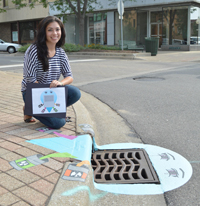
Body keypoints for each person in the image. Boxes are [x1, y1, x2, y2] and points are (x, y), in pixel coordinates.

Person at [21, 16, 81, 129]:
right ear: (43, 32)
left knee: (75, 93)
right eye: (50, 30)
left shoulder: (61, 52)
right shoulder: (33, 50)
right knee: (59, 123)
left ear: (61, 32)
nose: (55, 33)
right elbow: (30, 80)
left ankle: (34, 110)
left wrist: (60, 83)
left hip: (51, 92)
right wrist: (46, 96)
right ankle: (30, 108)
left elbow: (69, 76)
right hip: (33, 92)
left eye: (57, 29)